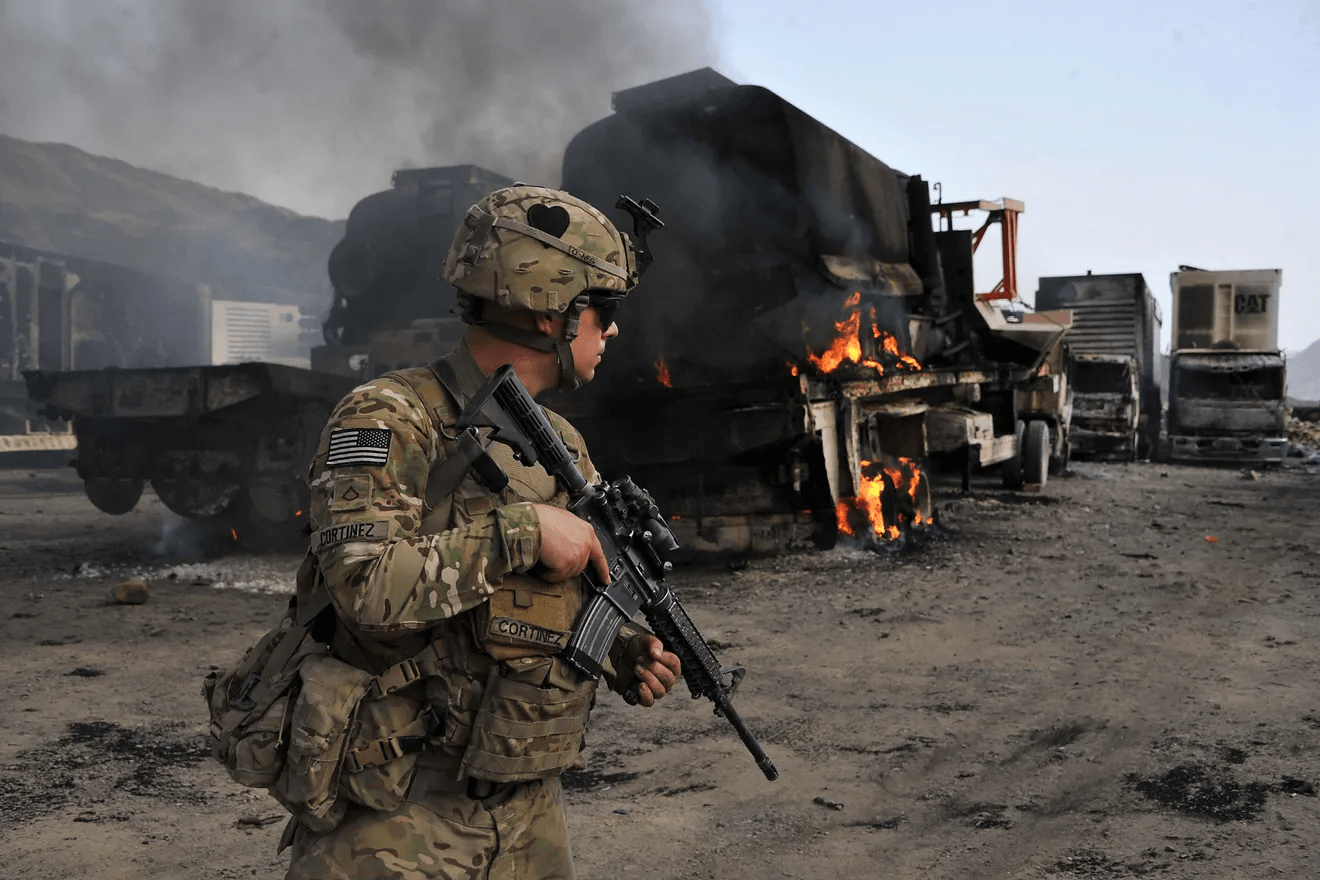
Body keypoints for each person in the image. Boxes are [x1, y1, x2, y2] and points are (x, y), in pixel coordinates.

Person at [282, 184, 682, 879]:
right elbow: (363, 589)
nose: (613, 330)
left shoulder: (561, 441)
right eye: (603, 309)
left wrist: (618, 646)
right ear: (550, 311)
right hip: (399, 814)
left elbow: (550, 597)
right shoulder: (387, 416)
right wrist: (519, 532)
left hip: (527, 809)